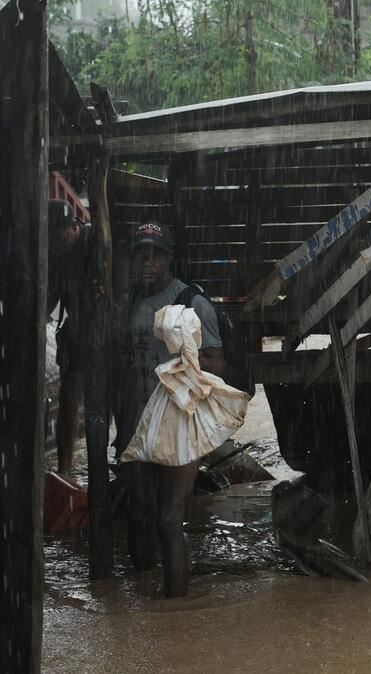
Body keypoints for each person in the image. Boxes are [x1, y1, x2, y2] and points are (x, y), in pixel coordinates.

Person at [115, 222, 226, 597]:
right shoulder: (128, 301)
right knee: (138, 514)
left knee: (167, 521)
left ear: (169, 260)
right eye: (141, 255)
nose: (148, 262)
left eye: (156, 255)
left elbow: (214, 364)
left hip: (178, 425)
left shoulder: (191, 304)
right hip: (136, 424)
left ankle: (175, 617)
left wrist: (179, 377)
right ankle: (147, 605)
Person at [46, 199, 92, 474]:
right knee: (69, 397)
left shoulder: (96, 241)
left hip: (106, 322)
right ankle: (65, 468)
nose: (57, 246)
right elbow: (48, 299)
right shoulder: (53, 254)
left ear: (74, 227)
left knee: (112, 397)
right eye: (53, 242)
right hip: (76, 325)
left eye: (61, 240)